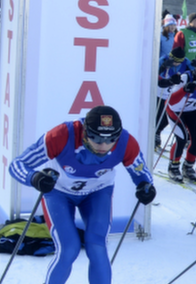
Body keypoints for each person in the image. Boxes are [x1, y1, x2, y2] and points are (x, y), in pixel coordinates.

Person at [8, 106, 156, 284]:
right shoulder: (61, 135)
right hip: (60, 193)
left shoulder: (125, 141)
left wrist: (146, 187)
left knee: (97, 247)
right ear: (85, 131)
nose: (104, 145)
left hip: (97, 192)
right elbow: (17, 165)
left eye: (111, 139)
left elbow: (141, 174)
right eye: (96, 139)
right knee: (69, 248)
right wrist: (35, 178)